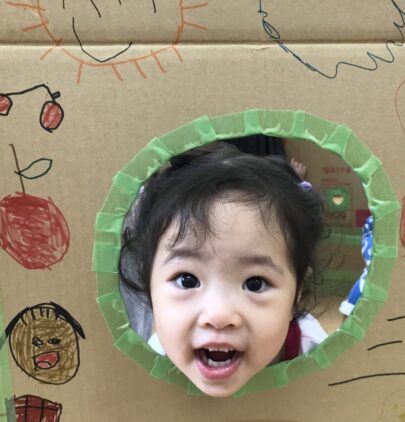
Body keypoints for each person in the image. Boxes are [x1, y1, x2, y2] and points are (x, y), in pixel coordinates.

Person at [119, 141, 328, 397]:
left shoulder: (312, 350)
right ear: (148, 285)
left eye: (255, 283)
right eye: (187, 280)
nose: (219, 316)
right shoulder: (158, 357)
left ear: (297, 294)